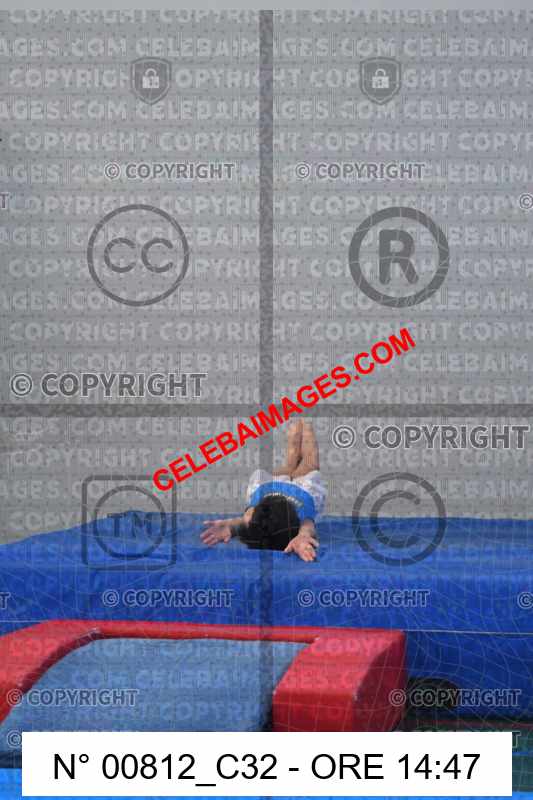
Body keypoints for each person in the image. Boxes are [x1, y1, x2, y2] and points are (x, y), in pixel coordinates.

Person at [200, 419, 326, 562]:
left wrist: (230, 526)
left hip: (291, 487)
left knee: (299, 460)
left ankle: (302, 423)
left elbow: (242, 522)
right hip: (286, 487)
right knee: (299, 461)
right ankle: (302, 422)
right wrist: (302, 537)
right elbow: (306, 531)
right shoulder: (256, 516)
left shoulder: (259, 516)